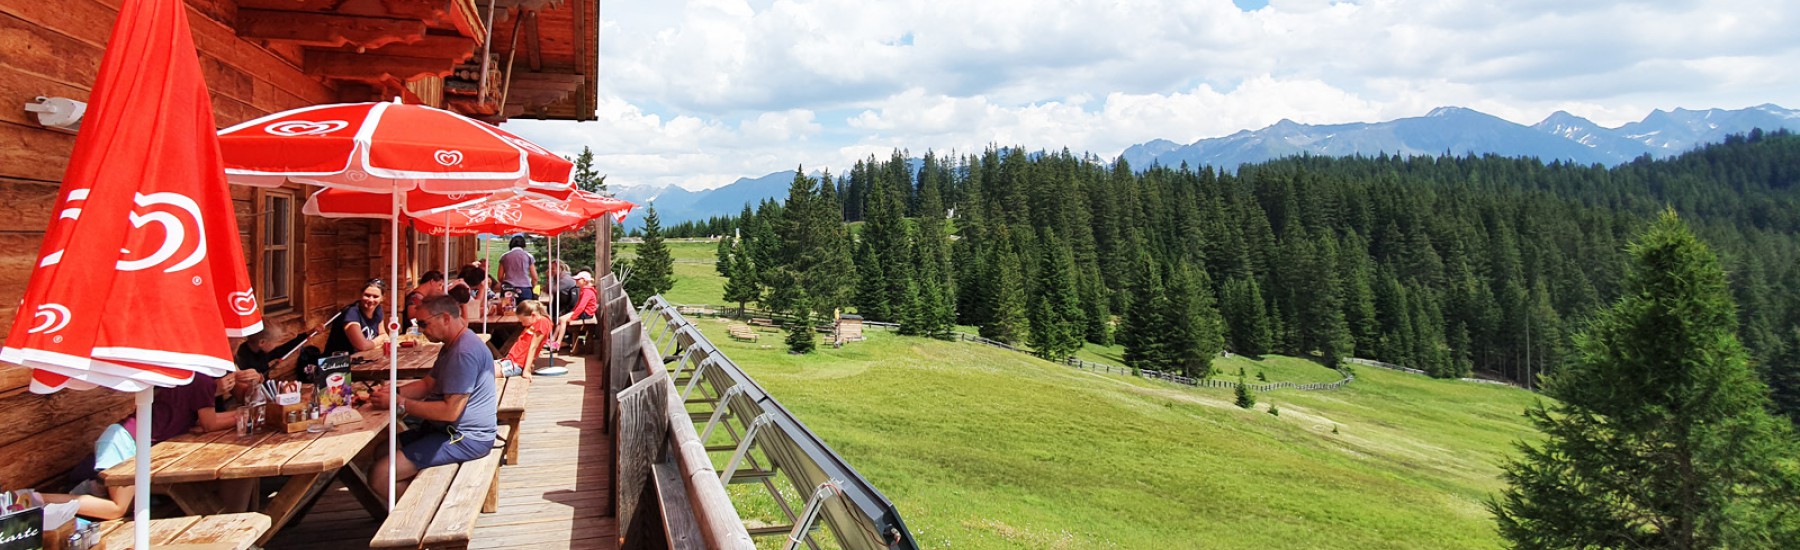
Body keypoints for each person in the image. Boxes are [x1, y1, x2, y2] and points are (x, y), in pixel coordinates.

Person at [41, 374, 252, 521]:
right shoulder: (202, 381)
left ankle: (79, 491)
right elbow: (209, 424)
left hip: (125, 439)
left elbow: (195, 421)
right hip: (126, 443)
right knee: (116, 509)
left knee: (123, 503)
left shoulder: (193, 378)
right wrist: (248, 414)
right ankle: (36, 500)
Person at [368, 295, 498, 501]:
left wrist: (400, 403)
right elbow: (428, 384)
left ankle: (416, 517)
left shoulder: (463, 353)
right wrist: (395, 392)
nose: (420, 330)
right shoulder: (453, 344)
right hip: (444, 431)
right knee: (382, 450)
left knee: (381, 475)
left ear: (445, 318)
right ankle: (417, 501)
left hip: (466, 437)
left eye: (423, 323)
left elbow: (449, 411)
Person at [325, 278, 389, 356]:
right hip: (339, 363)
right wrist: (378, 341)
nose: (370, 300)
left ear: (383, 298)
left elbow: (384, 336)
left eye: (375, 297)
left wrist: (373, 343)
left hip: (363, 359)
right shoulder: (352, 313)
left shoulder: (377, 309)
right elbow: (362, 346)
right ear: (361, 294)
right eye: (367, 295)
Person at [234, 324, 323, 380]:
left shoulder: (261, 350)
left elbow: (281, 350)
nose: (276, 344)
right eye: (275, 342)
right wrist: (257, 379)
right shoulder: (241, 356)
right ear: (262, 342)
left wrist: (310, 333)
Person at [495, 300, 554, 378]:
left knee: (485, 372)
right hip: (510, 360)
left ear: (533, 315)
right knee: (480, 367)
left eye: (523, 320)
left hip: (516, 363)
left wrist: (526, 370)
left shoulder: (543, 322)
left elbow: (533, 347)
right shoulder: (534, 323)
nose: (522, 324)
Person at [547, 271, 598, 352]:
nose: (576, 281)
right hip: (583, 311)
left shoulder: (587, 291)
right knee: (561, 319)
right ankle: (553, 339)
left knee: (563, 320)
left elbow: (581, 307)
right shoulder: (584, 290)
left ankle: (558, 343)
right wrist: (572, 312)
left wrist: (573, 316)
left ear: (584, 281)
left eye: (578, 279)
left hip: (587, 313)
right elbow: (578, 304)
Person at [497, 235, 538, 300]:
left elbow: (500, 277)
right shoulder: (529, 256)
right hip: (525, 289)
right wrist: (531, 287)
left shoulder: (504, 257)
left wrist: (506, 284)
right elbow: (535, 277)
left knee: (507, 309)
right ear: (524, 245)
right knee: (525, 309)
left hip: (507, 289)